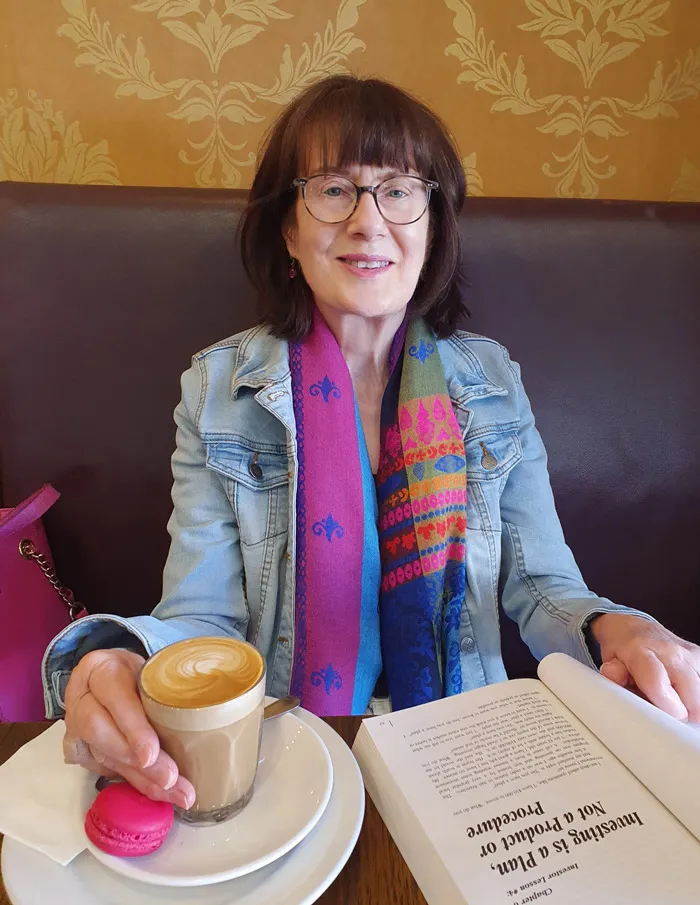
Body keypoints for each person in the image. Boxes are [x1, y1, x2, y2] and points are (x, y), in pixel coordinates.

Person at [45, 76, 700, 812]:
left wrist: (620, 627)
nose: (368, 221)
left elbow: (543, 586)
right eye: (334, 189)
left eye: (398, 191)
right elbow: (204, 618)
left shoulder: (491, 383)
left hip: (472, 743)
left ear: (431, 227)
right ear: (288, 231)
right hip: (289, 745)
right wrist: (120, 658)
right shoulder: (218, 391)